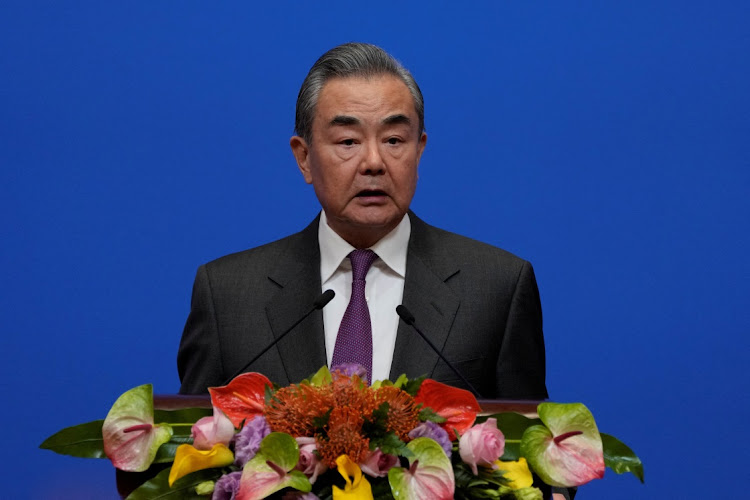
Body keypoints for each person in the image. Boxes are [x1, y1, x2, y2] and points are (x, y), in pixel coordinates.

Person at [177, 42, 548, 402]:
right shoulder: (228, 296)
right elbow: (192, 448)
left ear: (419, 150)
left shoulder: (497, 289)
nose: (373, 161)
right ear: (304, 158)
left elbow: (527, 446)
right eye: (348, 141)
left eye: (393, 139)